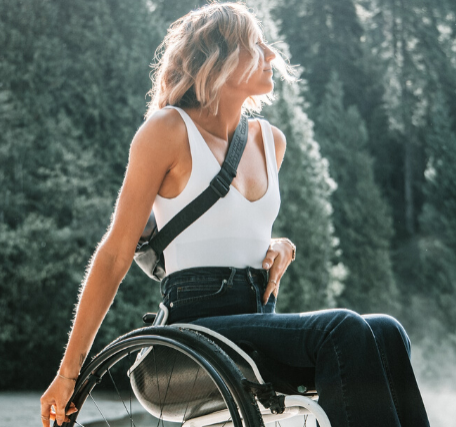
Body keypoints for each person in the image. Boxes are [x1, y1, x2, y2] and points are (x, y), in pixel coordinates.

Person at [40, 3, 429, 426]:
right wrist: (67, 374)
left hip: (254, 325)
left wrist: (273, 244)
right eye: (256, 45)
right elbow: (115, 255)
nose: (272, 54)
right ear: (218, 59)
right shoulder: (166, 131)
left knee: (387, 332)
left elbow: (232, 227)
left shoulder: (270, 142)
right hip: (188, 341)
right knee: (343, 329)